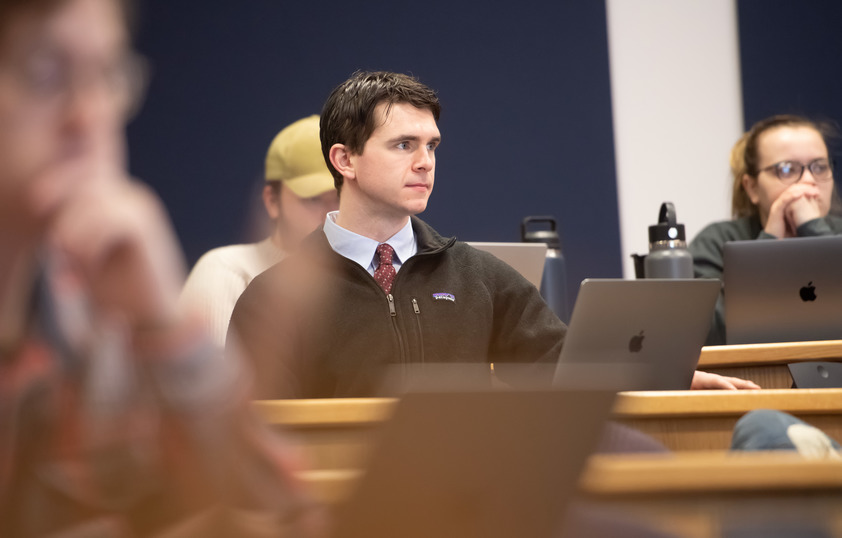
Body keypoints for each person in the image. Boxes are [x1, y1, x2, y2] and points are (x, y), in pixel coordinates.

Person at [229, 70, 757, 399]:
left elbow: (564, 367)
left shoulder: (477, 275)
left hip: (473, 495)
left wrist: (667, 377)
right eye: (403, 145)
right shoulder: (273, 298)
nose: (425, 163)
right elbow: (257, 436)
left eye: (432, 146)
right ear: (344, 159)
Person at [0, 0, 321, 535]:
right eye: (44, 71)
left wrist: (163, 325)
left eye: (106, 75)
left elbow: (283, 518)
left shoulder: (99, 312)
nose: (88, 114)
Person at [181, 115, 338, 347]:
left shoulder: (375, 279)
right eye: (312, 199)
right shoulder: (226, 273)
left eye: (343, 197)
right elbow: (211, 383)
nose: (330, 214)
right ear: (272, 201)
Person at [690, 114, 842, 345]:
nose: (809, 180)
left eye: (820, 167)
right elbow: (707, 334)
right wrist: (769, 242)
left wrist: (813, 228)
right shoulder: (716, 241)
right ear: (751, 188)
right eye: (787, 169)